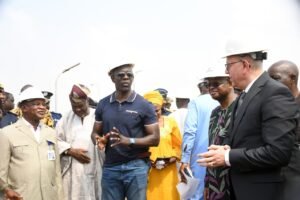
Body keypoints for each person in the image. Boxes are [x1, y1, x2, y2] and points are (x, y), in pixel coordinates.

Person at [197, 37, 299, 200]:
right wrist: (226, 150)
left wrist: (228, 157)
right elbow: (248, 140)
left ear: (245, 64)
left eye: (228, 66)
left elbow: (278, 152)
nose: (226, 72)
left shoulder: (274, 93)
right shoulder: (245, 96)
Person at [91, 62, 160, 200]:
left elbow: (155, 138)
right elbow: (95, 133)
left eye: (129, 75)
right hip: (111, 167)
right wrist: (99, 140)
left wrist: (129, 141)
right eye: (121, 75)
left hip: (136, 166)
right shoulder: (103, 104)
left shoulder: (144, 105)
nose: (126, 78)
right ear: (113, 78)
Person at [0, 86, 64, 200]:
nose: (42, 108)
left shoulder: (50, 133)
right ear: (24, 108)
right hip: (21, 196)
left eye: (43, 104)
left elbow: (57, 173)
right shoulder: (7, 133)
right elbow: (1, 170)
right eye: (37, 104)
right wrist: (6, 189)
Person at [56, 84, 104, 200]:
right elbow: (55, 140)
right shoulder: (66, 118)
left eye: (80, 106)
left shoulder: (98, 116)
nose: (77, 109)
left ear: (87, 101)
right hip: (73, 171)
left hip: (96, 167)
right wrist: (70, 151)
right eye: (74, 106)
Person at [180, 76, 218, 200]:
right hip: (221, 153)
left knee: (197, 193)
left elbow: (190, 131)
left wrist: (185, 160)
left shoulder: (196, 102)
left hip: (201, 156)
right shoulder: (224, 100)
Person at [202, 67, 237, 200]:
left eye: (216, 84)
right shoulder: (215, 112)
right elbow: (211, 149)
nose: (211, 88)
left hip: (234, 183)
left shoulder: (240, 108)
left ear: (230, 82)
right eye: (207, 84)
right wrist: (207, 183)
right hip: (215, 184)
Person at [268, 60, 300, 200]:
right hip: (273, 179)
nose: (271, 84)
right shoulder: (272, 107)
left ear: (292, 78)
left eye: (275, 78)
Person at [144, 90, 182, 200]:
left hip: (168, 169)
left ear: (162, 107)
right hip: (149, 170)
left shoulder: (171, 122)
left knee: (169, 195)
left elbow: (178, 145)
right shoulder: (141, 124)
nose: (155, 114)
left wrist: (173, 158)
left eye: (157, 110)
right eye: (151, 111)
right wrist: (149, 161)